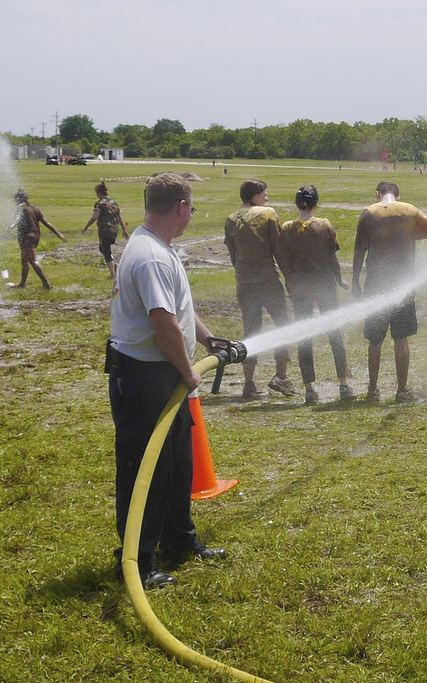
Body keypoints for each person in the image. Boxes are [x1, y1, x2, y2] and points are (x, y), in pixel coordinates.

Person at [107, 172, 228, 588]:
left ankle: (180, 542)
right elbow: (164, 328)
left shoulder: (156, 247)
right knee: (146, 472)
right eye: (191, 210)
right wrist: (188, 371)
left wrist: (209, 337)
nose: (191, 216)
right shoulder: (153, 256)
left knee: (177, 464)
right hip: (145, 378)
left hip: (161, 374)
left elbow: (176, 311)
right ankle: (138, 563)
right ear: (180, 208)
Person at [352, 181, 427, 403]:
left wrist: (354, 281)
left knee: (375, 341)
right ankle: (402, 391)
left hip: (375, 285)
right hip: (403, 287)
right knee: (401, 339)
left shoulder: (368, 214)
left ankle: (372, 390)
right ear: (397, 196)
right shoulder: (410, 211)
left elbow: (359, 250)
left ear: (378, 194)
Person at [276, 185, 353, 405]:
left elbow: (283, 260)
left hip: (300, 287)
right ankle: (343, 385)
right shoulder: (325, 225)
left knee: (304, 336)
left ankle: (309, 389)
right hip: (325, 285)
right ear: (316, 204)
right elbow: (332, 258)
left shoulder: (287, 227)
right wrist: (340, 280)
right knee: (334, 334)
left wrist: (290, 281)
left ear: (296, 204)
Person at [224, 179, 300, 399]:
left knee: (250, 330)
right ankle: (281, 377)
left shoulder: (231, 219)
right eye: (264, 193)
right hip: (268, 279)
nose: (267, 197)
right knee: (283, 325)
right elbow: (279, 250)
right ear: (255, 195)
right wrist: (289, 278)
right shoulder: (268, 214)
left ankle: (248, 384)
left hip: (244, 282)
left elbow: (233, 256)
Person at [8, 190, 67, 289]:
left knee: (33, 261)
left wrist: (12, 226)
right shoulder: (35, 209)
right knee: (24, 260)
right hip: (34, 237)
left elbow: (18, 218)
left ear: (19, 199)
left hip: (27, 237)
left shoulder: (21, 208)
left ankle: (46, 284)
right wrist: (59, 234)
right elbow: (46, 223)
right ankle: (22, 284)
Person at [82, 181, 129, 279]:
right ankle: (115, 266)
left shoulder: (100, 203)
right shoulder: (114, 202)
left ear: (99, 192)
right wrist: (124, 229)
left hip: (105, 229)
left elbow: (95, 216)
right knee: (102, 247)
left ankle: (113, 275)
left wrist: (86, 226)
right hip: (114, 229)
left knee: (106, 249)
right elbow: (119, 217)